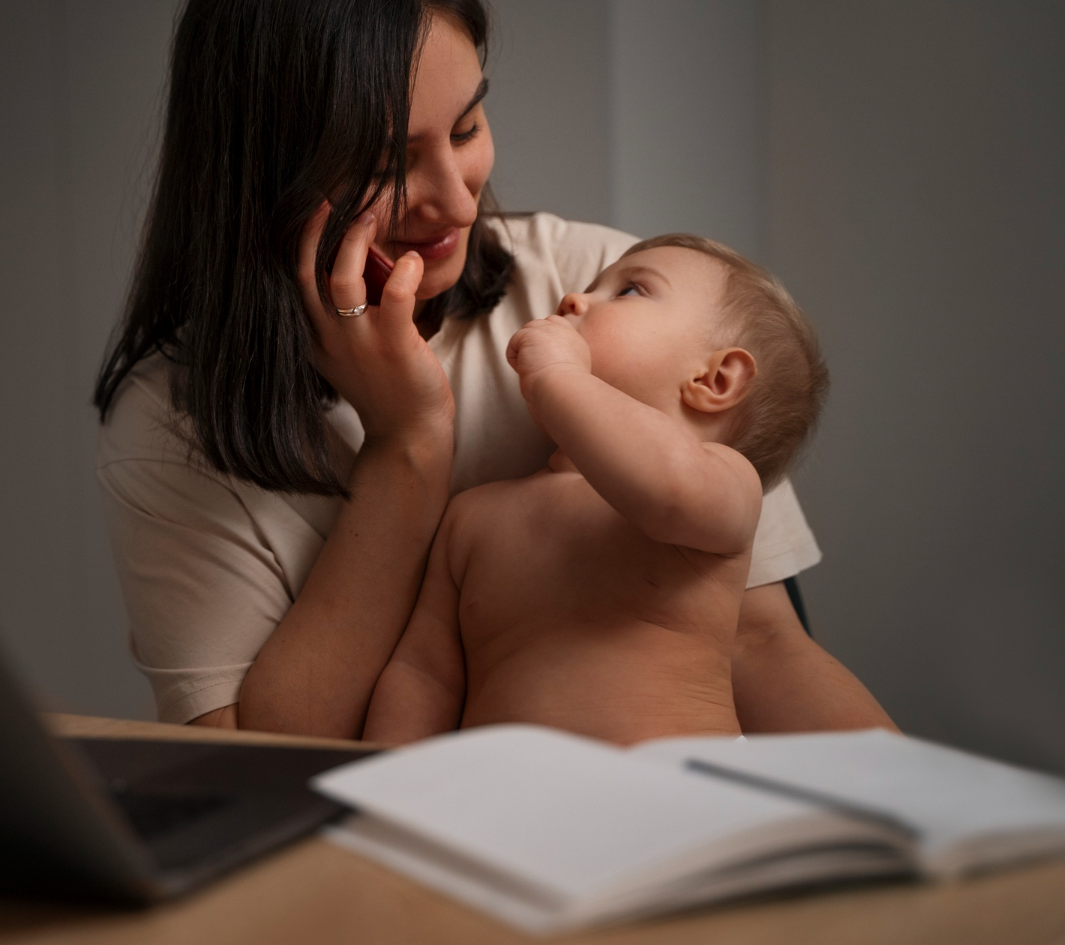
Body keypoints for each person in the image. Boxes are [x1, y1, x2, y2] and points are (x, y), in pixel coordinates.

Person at [94, 0, 892, 738]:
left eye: (468, 126)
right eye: (389, 163)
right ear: (267, 180)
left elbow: (761, 644)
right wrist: (408, 444)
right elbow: (267, 761)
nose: (460, 203)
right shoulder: (171, 425)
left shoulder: (600, 279)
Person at [363, 235, 884, 745]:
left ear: (715, 379)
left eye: (630, 290)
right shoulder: (472, 515)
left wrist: (559, 375)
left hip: (678, 790)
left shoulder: (723, 483)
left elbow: (667, 493)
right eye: (591, 285)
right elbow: (423, 673)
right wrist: (385, 785)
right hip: (513, 804)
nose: (572, 298)